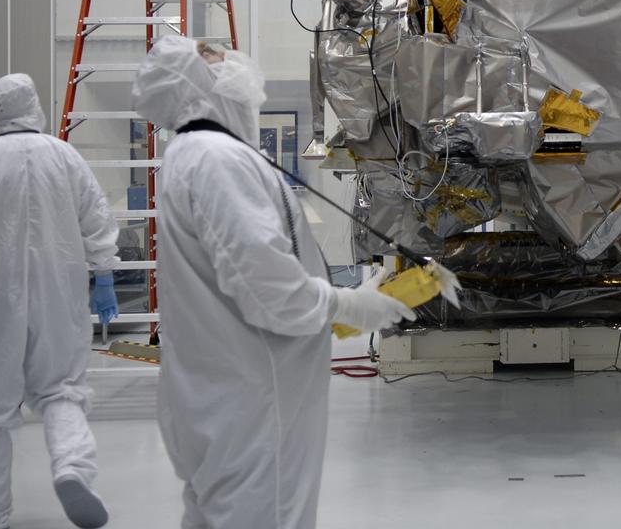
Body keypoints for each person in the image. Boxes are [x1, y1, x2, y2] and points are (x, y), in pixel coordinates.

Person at [131, 37, 416, 529]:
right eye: (216, 57)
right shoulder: (217, 160)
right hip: (254, 406)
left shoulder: (195, 155)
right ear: (196, 85)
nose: (234, 61)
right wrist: (352, 306)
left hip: (217, 398)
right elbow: (268, 291)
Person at [0, 74, 120, 529]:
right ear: (35, 106)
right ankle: (73, 468)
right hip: (60, 290)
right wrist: (104, 276)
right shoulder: (65, 157)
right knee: (61, 388)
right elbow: (96, 218)